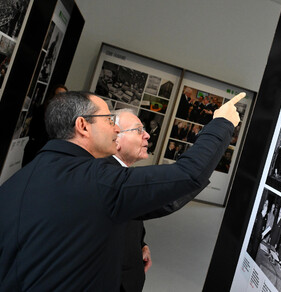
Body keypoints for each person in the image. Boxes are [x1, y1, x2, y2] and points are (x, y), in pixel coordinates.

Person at [0, 91, 244, 290]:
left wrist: (133, 245)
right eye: (108, 121)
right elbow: (187, 173)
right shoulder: (97, 180)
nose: (115, 130)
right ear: (83, 125)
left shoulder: (17, 181)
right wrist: (222, 123)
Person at [109, 109, 153, 292]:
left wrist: (140, 245)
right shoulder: (110, 178)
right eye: (138, 130)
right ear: (116, 138)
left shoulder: (122, 174)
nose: (147, 135)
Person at [22, 84, 68, 166]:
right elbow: (34, 130)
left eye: (63, 95)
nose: (61, 97)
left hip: (50, 153)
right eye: (58, 94)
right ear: (53, 95)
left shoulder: (65, 114)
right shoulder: (42, 109)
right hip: (35, 150)